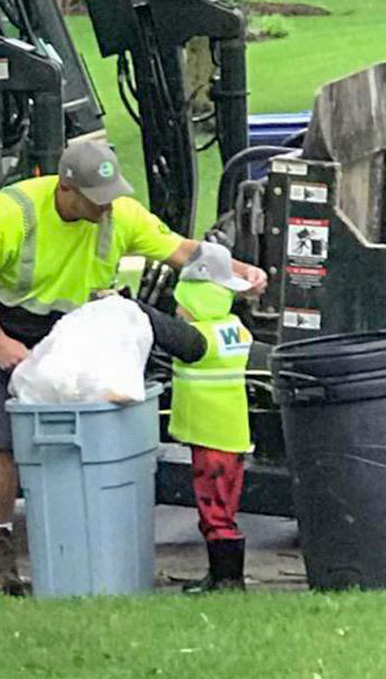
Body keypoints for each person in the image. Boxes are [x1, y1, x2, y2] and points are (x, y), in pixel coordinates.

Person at [0, 142, 266, 594]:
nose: (107, 204)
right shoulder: (12, 212)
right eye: (97, 196)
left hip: (64, 321)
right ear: (66, 189)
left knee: (90, 415)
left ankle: (78, 536)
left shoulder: (120, 215)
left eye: (111, 193)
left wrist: (237, 270)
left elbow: (181, 251)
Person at [166, 242, 254, 592]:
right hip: (231, 436)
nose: (177, 310)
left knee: (214, 510)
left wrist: (126, 304)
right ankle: (223, 576)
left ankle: (227, 579)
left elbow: (162, 331)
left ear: (198, 299)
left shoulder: (198, 339)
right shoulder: (233, 329)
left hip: (211, 438)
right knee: (224, 507)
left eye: (181, 302)